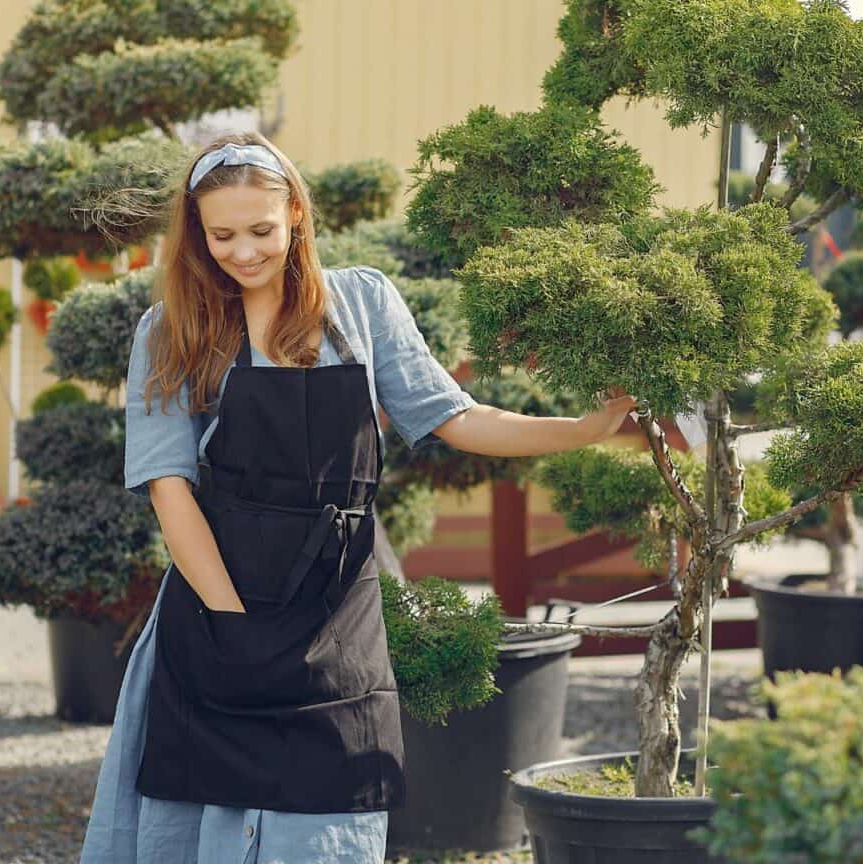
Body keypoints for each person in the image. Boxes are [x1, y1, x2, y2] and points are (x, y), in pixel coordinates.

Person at [79, 132, 638, 864]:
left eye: (261, 232)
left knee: (331, 810)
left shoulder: (361, 304)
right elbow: (170, 491)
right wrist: (232, 622)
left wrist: (582, 430)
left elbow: (455, 417)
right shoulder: (171, 331)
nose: (242, 251)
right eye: (221, 235)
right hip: (218, 607)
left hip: (336, 610)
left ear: (297, 219)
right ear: (196, 233)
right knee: (198, 822)